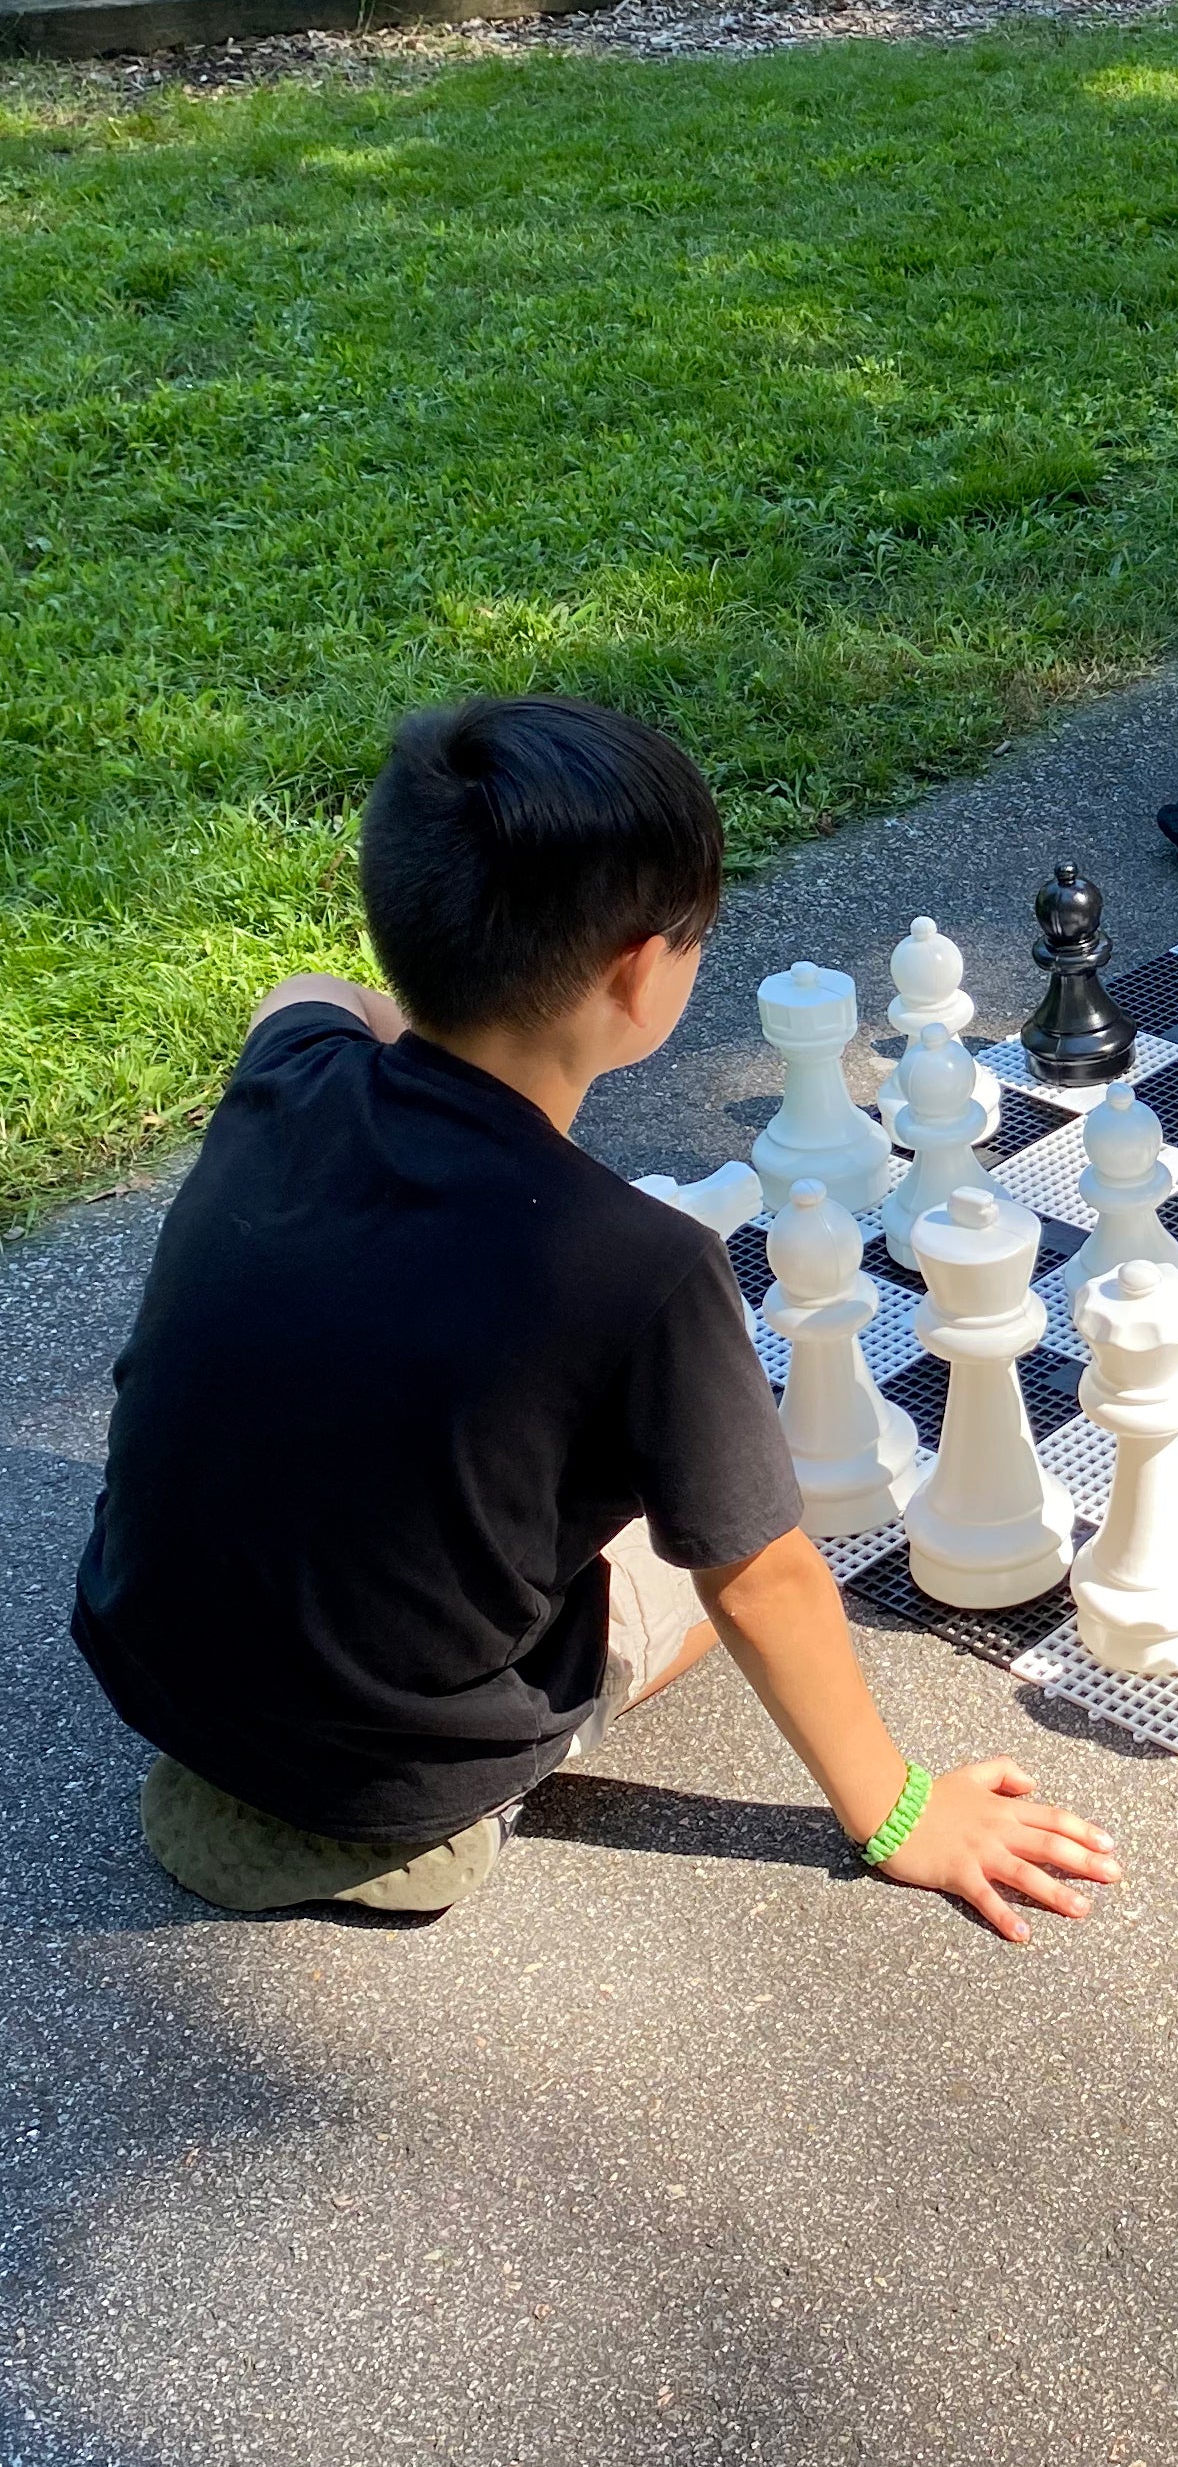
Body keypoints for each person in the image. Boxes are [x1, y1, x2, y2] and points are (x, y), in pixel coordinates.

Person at [73, 695, 1118, 1937]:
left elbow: (312, 990)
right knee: (789, 1511)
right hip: (399, 1794)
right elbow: (762, 1580)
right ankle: (490, 1773)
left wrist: (447, 1054)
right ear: (637, 971)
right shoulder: (644, 1270)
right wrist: (900, 1815)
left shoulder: (290, 1079)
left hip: (158, 1679)